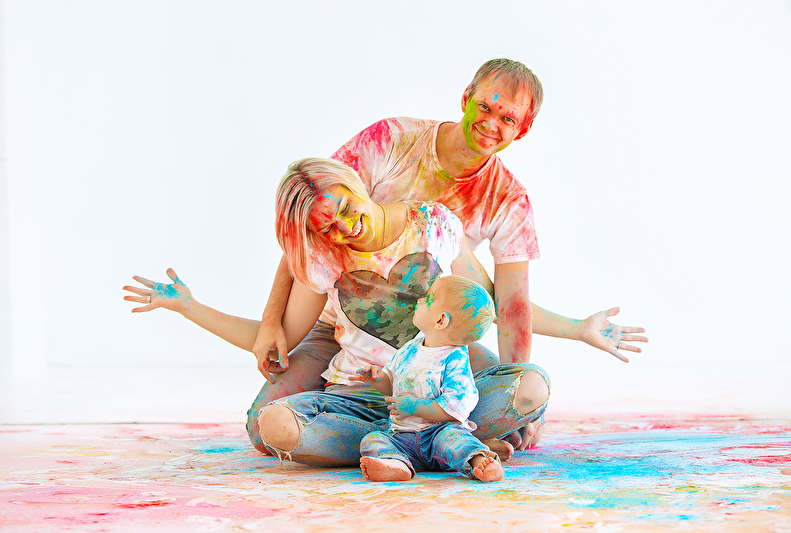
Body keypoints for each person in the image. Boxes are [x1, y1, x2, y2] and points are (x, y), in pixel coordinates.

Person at [250, 58, 647, 453]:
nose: (491, 123)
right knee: (262, 428)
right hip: (340, 324)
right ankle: (424, 436)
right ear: (466, 98)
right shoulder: (391, 140)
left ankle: (399, 435)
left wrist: (567, 340)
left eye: (507, 118)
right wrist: (271, 322)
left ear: (523, 129)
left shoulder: (508, 200)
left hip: (436, 332)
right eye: (485, 107)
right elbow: (312, 223)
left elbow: (507, 304)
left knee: (524, 392)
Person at [124, 157, 550, 466]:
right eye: (328, 226)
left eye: (345, 208)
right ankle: (442, 445)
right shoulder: (324, 260)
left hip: (436, 393)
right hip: (360, 399)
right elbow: (274, 340)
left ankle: (414, 442)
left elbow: (487, 304)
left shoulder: (435, 224)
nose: (345, 227)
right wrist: (189, 307)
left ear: (353, 184)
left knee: (532, 386)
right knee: (274, 426)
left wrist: (574, 331)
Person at [354, 275, 504, 483]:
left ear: (440, 320)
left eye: (428, 298)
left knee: (456, 439)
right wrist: (377, 378)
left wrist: (414, 407)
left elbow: (454, 408)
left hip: (438, 436)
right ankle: (396, 464)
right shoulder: (409, 349)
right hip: (402, 436)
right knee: (373, 440)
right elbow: (391, 384)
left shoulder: (455, 358)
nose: (420, 299)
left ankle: (479, 461)